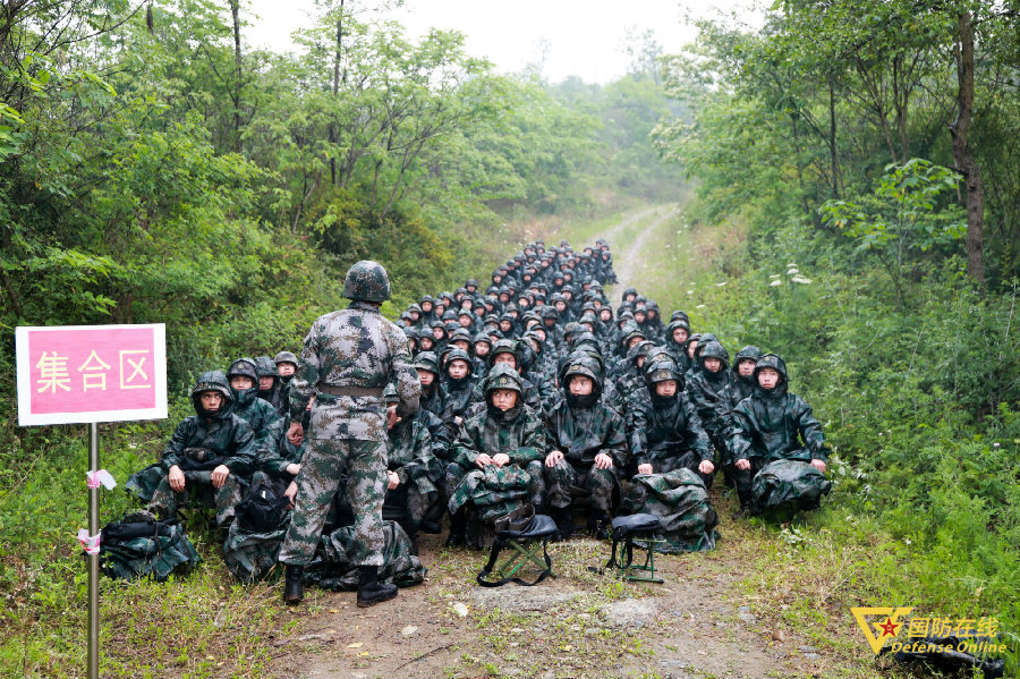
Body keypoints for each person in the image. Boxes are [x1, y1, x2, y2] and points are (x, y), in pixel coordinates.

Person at [277, 260, 420, 607]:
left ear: (349, 287)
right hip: (369, 425)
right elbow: (411, 391)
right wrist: (397, 412)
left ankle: (294, 583)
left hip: (325, 422)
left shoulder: (323, 325)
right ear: (382, 292)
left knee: (312, 498)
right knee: (369, 502)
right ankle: (368, 584)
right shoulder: (393, 333)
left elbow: (302, 382)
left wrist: (297, 419)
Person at [446, 365, 547, 547]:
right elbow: (456, 448)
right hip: (484, 475)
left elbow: (538, 448)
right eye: (497, 394)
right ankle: (457, 528)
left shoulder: (529, 418)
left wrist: (511, 456)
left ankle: (532, 524)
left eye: (508, 394)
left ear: (517, 396)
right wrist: (474, 456)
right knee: (453, 470)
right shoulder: (477, 420)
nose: (502, 399)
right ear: (489, 396)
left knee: (537, 467)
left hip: (516, 475)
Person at [148, 371, 256, 526]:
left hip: (220, 478)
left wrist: (228, 466)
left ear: (224, 399)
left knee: (228, 480)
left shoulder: (239, 425)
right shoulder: (188, 424)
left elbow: (248, 456)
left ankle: (229, 528)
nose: (212, 401)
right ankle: (156, 526)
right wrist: (173, 467)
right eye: (207, 396)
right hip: (190, 475)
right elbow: (171, 450)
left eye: (217, 396)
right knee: (167, 479)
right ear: (199, 399)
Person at [727, 353, 828, 514]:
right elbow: (737, 431)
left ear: (780, 378)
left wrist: (818, 454)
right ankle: (747, 506)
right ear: (757, 376)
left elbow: (811, 427)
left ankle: (807, 506)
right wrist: (740, 454)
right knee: (740, 463)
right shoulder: (746, 405)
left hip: (790, 455)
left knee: (813, 466)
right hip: (760, 457)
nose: (767, 378)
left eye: (772, 374)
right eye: (763, 374)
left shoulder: (794, 402)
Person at [543, 354, 627, 539]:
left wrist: (608, 454)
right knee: (554, 465)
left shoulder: (609, 416)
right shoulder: (557, 413)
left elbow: (620, 447)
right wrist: (552, 451)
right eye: (573, 382)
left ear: (594, 385)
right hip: (568, 467)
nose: (577, 387)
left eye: (583, 382)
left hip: (593, 467)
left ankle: (599, 521)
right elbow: (545, 438)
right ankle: (562, 521)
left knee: (603, 469)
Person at [629, 359, 713, 486]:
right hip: (653, 456)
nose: (667, 388)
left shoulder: (684, 403)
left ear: (677, 385)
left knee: (700, 463)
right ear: (654, 385)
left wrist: (706, 457)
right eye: (662, 384)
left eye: (671, 384)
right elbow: (638, 432)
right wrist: (642, 459)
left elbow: (697, 431)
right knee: (641, 478)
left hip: (680, 455)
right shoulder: (644, 403)